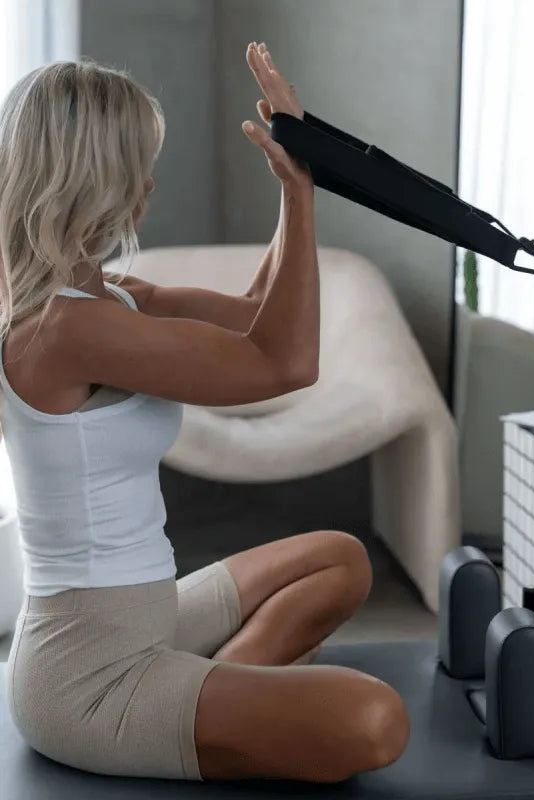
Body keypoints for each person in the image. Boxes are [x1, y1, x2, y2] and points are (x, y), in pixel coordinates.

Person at [0, 42, 410, 783]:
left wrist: (295, 168)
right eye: (137, 167)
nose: (149, 186)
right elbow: (285, 364)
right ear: (96, 181)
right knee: (375, 720)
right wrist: (302, 192)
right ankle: (204, 713)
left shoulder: (109, 297)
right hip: (89, 676)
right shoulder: (66, 330)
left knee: (338, 560)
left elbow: (259, 313)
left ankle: (211, 702)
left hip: (152, 617)